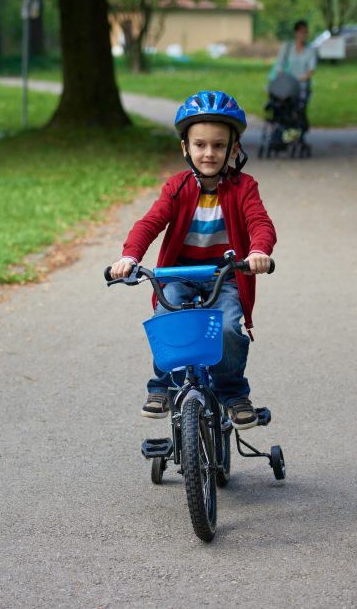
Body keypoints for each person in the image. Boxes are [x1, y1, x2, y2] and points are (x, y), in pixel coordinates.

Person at [109, 91, 276, 429]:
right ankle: (163, 385)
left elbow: (259, 222)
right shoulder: (178, 186)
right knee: (166, 318)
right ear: (186, 147)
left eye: (218, 145)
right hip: (179, 272)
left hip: (226, 274)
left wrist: (259, 251)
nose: (209, 153)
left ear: (234, 147)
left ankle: (232, 392)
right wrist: (129, 257)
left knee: (228, 329)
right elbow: (150, 223)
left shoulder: (244, 187)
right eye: (200, 145)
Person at [270, 20, 317, 111]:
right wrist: (282, 75)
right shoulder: (287, 47)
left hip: (301, 83)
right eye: (301, 32)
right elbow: (279, 64)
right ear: (296, 33)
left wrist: (302, 78)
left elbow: (311, 69)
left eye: (306, 32)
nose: (304, 35)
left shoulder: (310, 50)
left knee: (300, 101)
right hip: (287, 82)